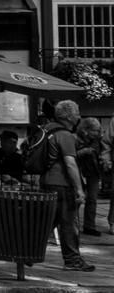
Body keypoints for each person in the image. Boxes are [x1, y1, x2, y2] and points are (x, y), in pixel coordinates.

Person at [36, 101, 95, 272]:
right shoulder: (65, 135)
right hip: (62, 184)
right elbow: (70, 164)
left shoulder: (48, 130)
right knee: (69, 223)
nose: (79, 117)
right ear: (68, 116)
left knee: (48, 222)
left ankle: (28, 252)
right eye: (77, 113)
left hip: (47, 182)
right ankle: (72, 260)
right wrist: (79, 189)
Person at [80, 117, 105, 238]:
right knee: (77, 200)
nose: (96, 133)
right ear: (86, 130)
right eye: (94, 130)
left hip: (93, 173)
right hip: (80, 172)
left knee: (92, 200)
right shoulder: (76, 139)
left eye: (98, 130)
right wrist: (84, 151)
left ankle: (89, 226)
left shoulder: (98, 141)